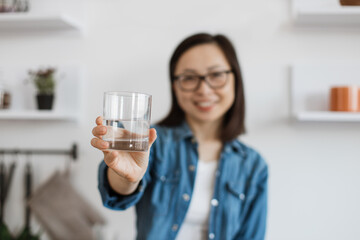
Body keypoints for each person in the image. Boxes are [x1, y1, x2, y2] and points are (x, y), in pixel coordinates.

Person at [92, 33, 268, 240]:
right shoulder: (151, 141)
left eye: (216, 75)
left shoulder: (253, 166)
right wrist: (124, 176)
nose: (204, 89)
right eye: (189, 78)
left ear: (235, 80)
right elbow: (117, 193)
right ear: (175, 86)